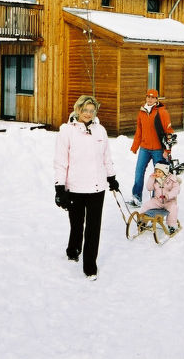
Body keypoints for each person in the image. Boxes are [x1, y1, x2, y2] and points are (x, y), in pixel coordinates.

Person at [53, 95, 118, 281]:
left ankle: (90, 266)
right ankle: (73, 249)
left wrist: (111, 177)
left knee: (93, 228)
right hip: (75, 187)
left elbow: (106, 157)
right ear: (78, 110)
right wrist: (59, 188)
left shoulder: (100, 131)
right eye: (85, 110)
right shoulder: (67, 131)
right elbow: (60, 162)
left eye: (92, 110)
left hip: (97, 188)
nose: (88, 114)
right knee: (76, 223)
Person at [128, 89, 173, 207]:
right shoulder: (142, 112)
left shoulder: (162, 112)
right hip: (144, 148)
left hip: (158, 149)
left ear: (157, 99)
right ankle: (136, 197)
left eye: (153, 97)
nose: (150, 99)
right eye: (148, 97)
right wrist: (135, 146)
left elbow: (169, 132)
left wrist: (167, 150)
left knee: (158, 175)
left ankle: (156, 199)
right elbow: (139, 130)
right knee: (139, 172)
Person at [139, 161, 180, 233]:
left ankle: (171, 225)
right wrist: (151, 178)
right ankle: (143, 221)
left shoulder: (172, 180)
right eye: (156, 171)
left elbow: (176, 190)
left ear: (165, 172)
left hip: (169, 201)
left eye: (159, 172)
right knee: (146, 205)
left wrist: (168, 195)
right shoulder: (155, 179)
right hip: (157, 201)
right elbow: (149, 188)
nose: (157, 173)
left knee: (173, 208)